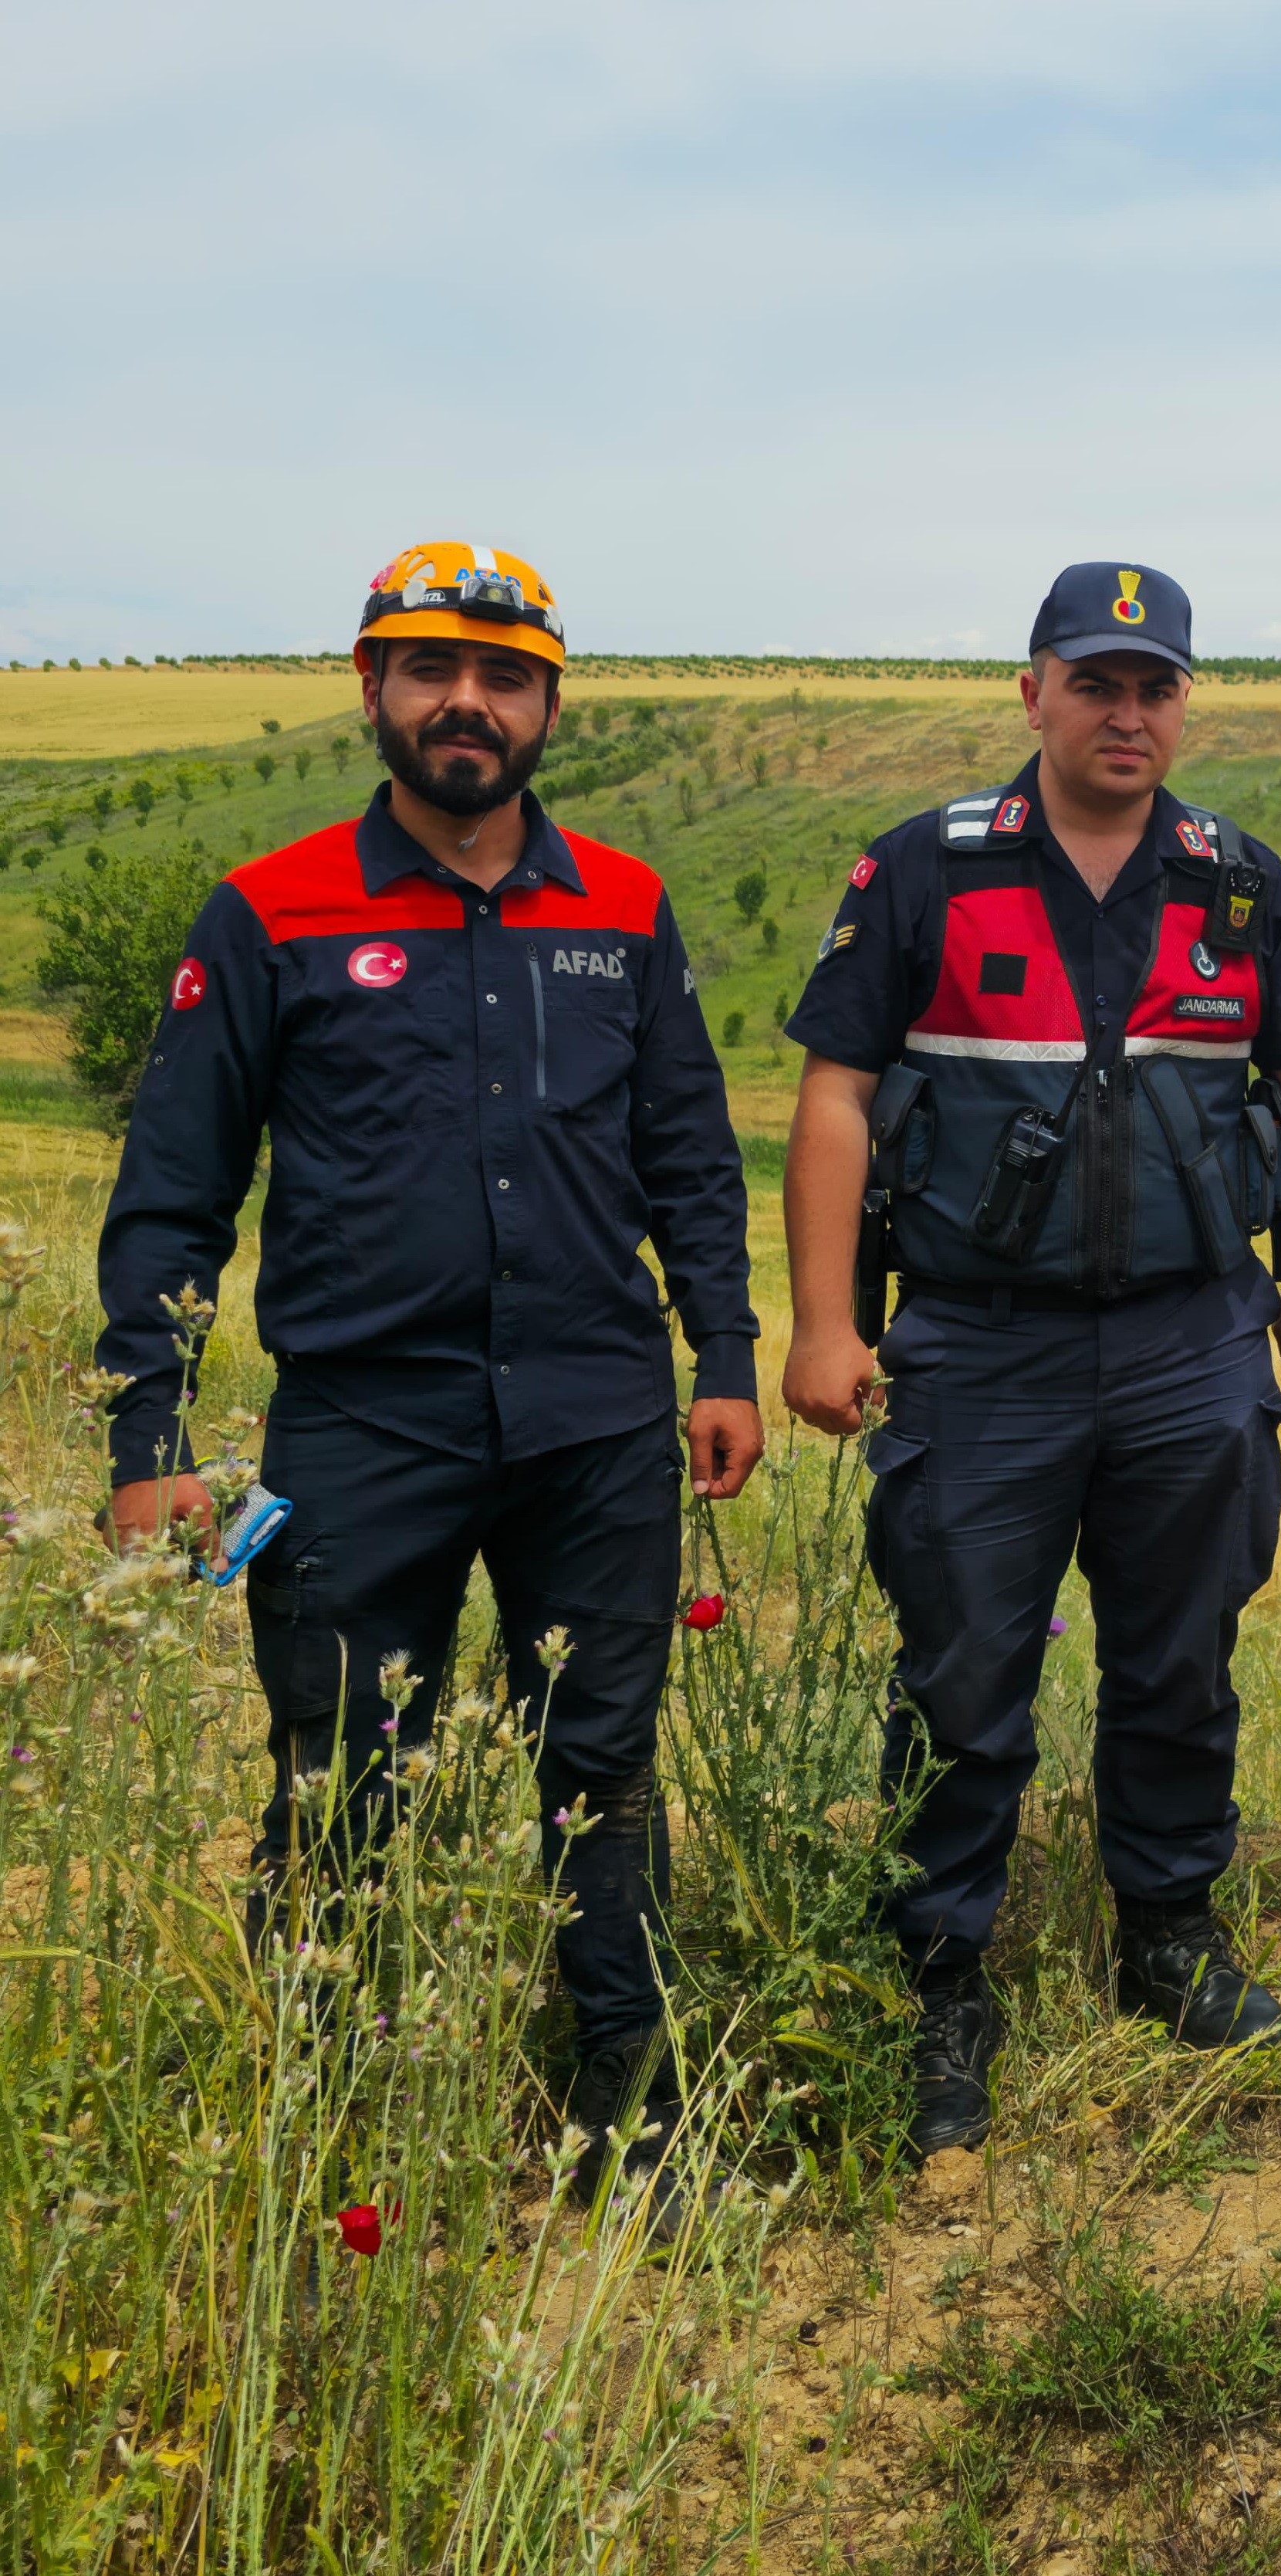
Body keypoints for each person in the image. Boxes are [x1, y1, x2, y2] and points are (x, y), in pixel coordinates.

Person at [97, 541, 764, 2220]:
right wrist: (150, 1432)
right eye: (428, 667)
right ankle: (322, 2132)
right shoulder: (269, 911)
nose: (466, 701)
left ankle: (630, 2124)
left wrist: (726, 1353)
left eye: (504, 674)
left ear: (549, 701)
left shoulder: (622, 906)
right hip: (357, 1429)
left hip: (596, 1421)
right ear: (371, 682)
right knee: (336, 1778)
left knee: (600, 1771)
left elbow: (687, 1151)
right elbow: (177, 1183)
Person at [780, 561, 1281, 2158]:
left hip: (1191, 1339)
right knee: (964, 1675)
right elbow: (836, 1096)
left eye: (1155, 685)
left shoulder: (1235, 881)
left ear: (1185, 701)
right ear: (1032, 690)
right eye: (1095, 681)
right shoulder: (922, 871)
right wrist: (825, 1323)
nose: (1128, 712)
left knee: (1177, 1663)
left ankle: (1167, 1936)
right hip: (980, 1344)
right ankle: (943, 1977)